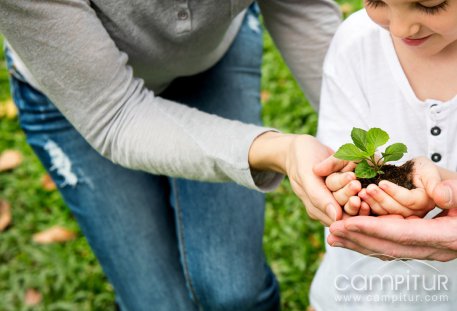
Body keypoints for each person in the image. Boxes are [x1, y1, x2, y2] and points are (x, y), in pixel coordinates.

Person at [0, 1, 341, 310]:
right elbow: (117, 116)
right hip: (81, 94)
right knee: (158, 305)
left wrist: (363, 150)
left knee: (237, 293)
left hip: (211, 57)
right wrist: (278, 150)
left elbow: (300, 7)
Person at [307, 1, 457, 309]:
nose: (401, 28)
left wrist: (448, 188)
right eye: (377, 1)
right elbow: (339, 161)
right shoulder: (356, 44)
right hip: (361, 294)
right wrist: (344, 188)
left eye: (431, 5)